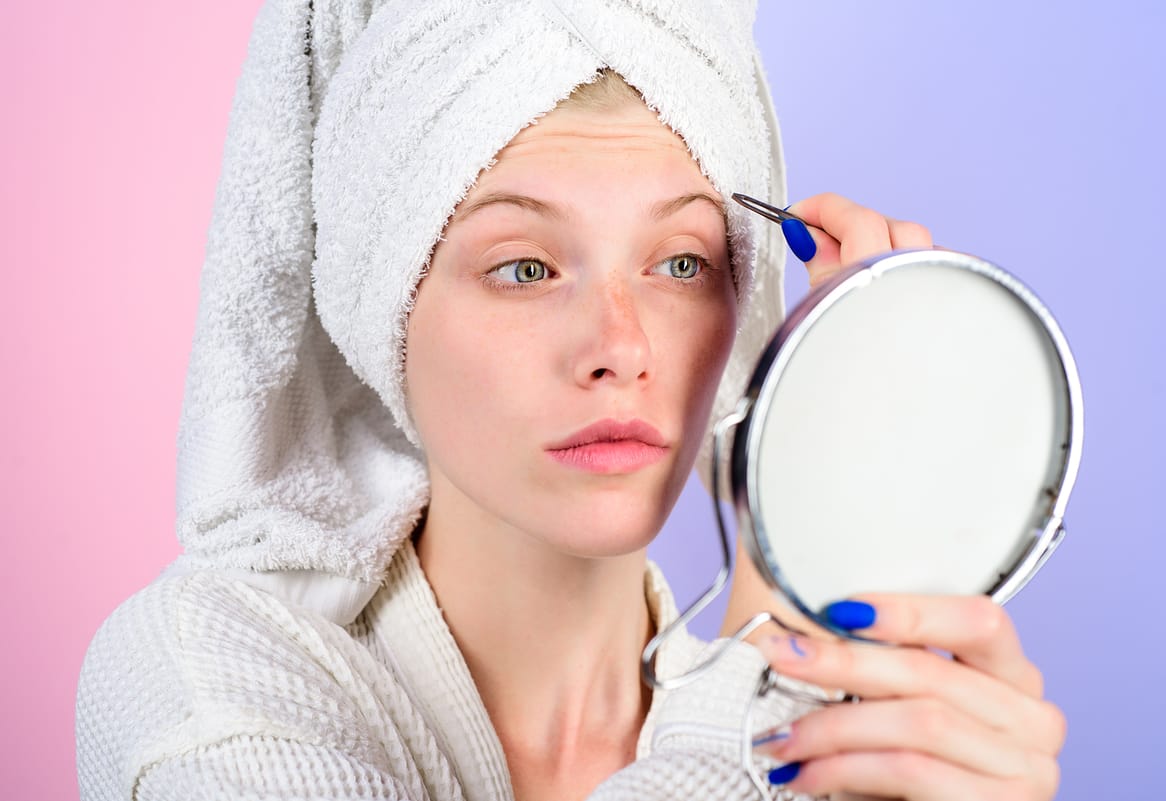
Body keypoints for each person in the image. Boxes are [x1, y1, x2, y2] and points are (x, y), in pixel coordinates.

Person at [76, 2, 1064, 800]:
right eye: (525, 268)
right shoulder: (195, 672)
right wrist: (757, 700)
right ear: (383, 311)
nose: (619, 348)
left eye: (681, 261)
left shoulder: (855, 742)